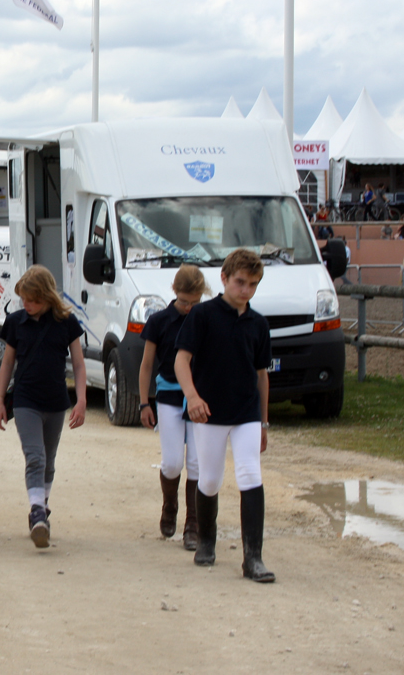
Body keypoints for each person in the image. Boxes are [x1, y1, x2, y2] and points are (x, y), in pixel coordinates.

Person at [174, 249, 274, 583]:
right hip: (209, 413)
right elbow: (181, 360)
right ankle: (205, 540)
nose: (245, 290)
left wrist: (263, 421)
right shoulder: (202, 315)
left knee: (250, 474)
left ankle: (253, 558)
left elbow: (262, 375)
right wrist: (192, 396)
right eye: (240, 282)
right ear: (225, 279)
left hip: (245, 411)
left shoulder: (258, 324)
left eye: (253, 285)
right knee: (210, 479)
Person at [0, 265, 86, 549]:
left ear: (47, 297)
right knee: (35, 456)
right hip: (25, 400)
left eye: (33, 300)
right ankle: (37, 513)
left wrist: (81, 400)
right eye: (24, 299)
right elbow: (7, 362)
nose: (27, 305)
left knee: (49, 459)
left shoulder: (67, 322)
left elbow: (80, 365)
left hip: (56, 401)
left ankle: (41, 506)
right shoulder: (15, 321)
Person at [137, 265, 211, 551]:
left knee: (195, 462)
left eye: (195, 302)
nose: (189, 308)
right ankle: (170, 505)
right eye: (184, 302)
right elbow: (146, 365)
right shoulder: (159, 321)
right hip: (168, 394)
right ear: (174, 292)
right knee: (172, 462)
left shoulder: (206, 320)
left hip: (199, 396)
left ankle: (193, 523)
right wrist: (145, 402)